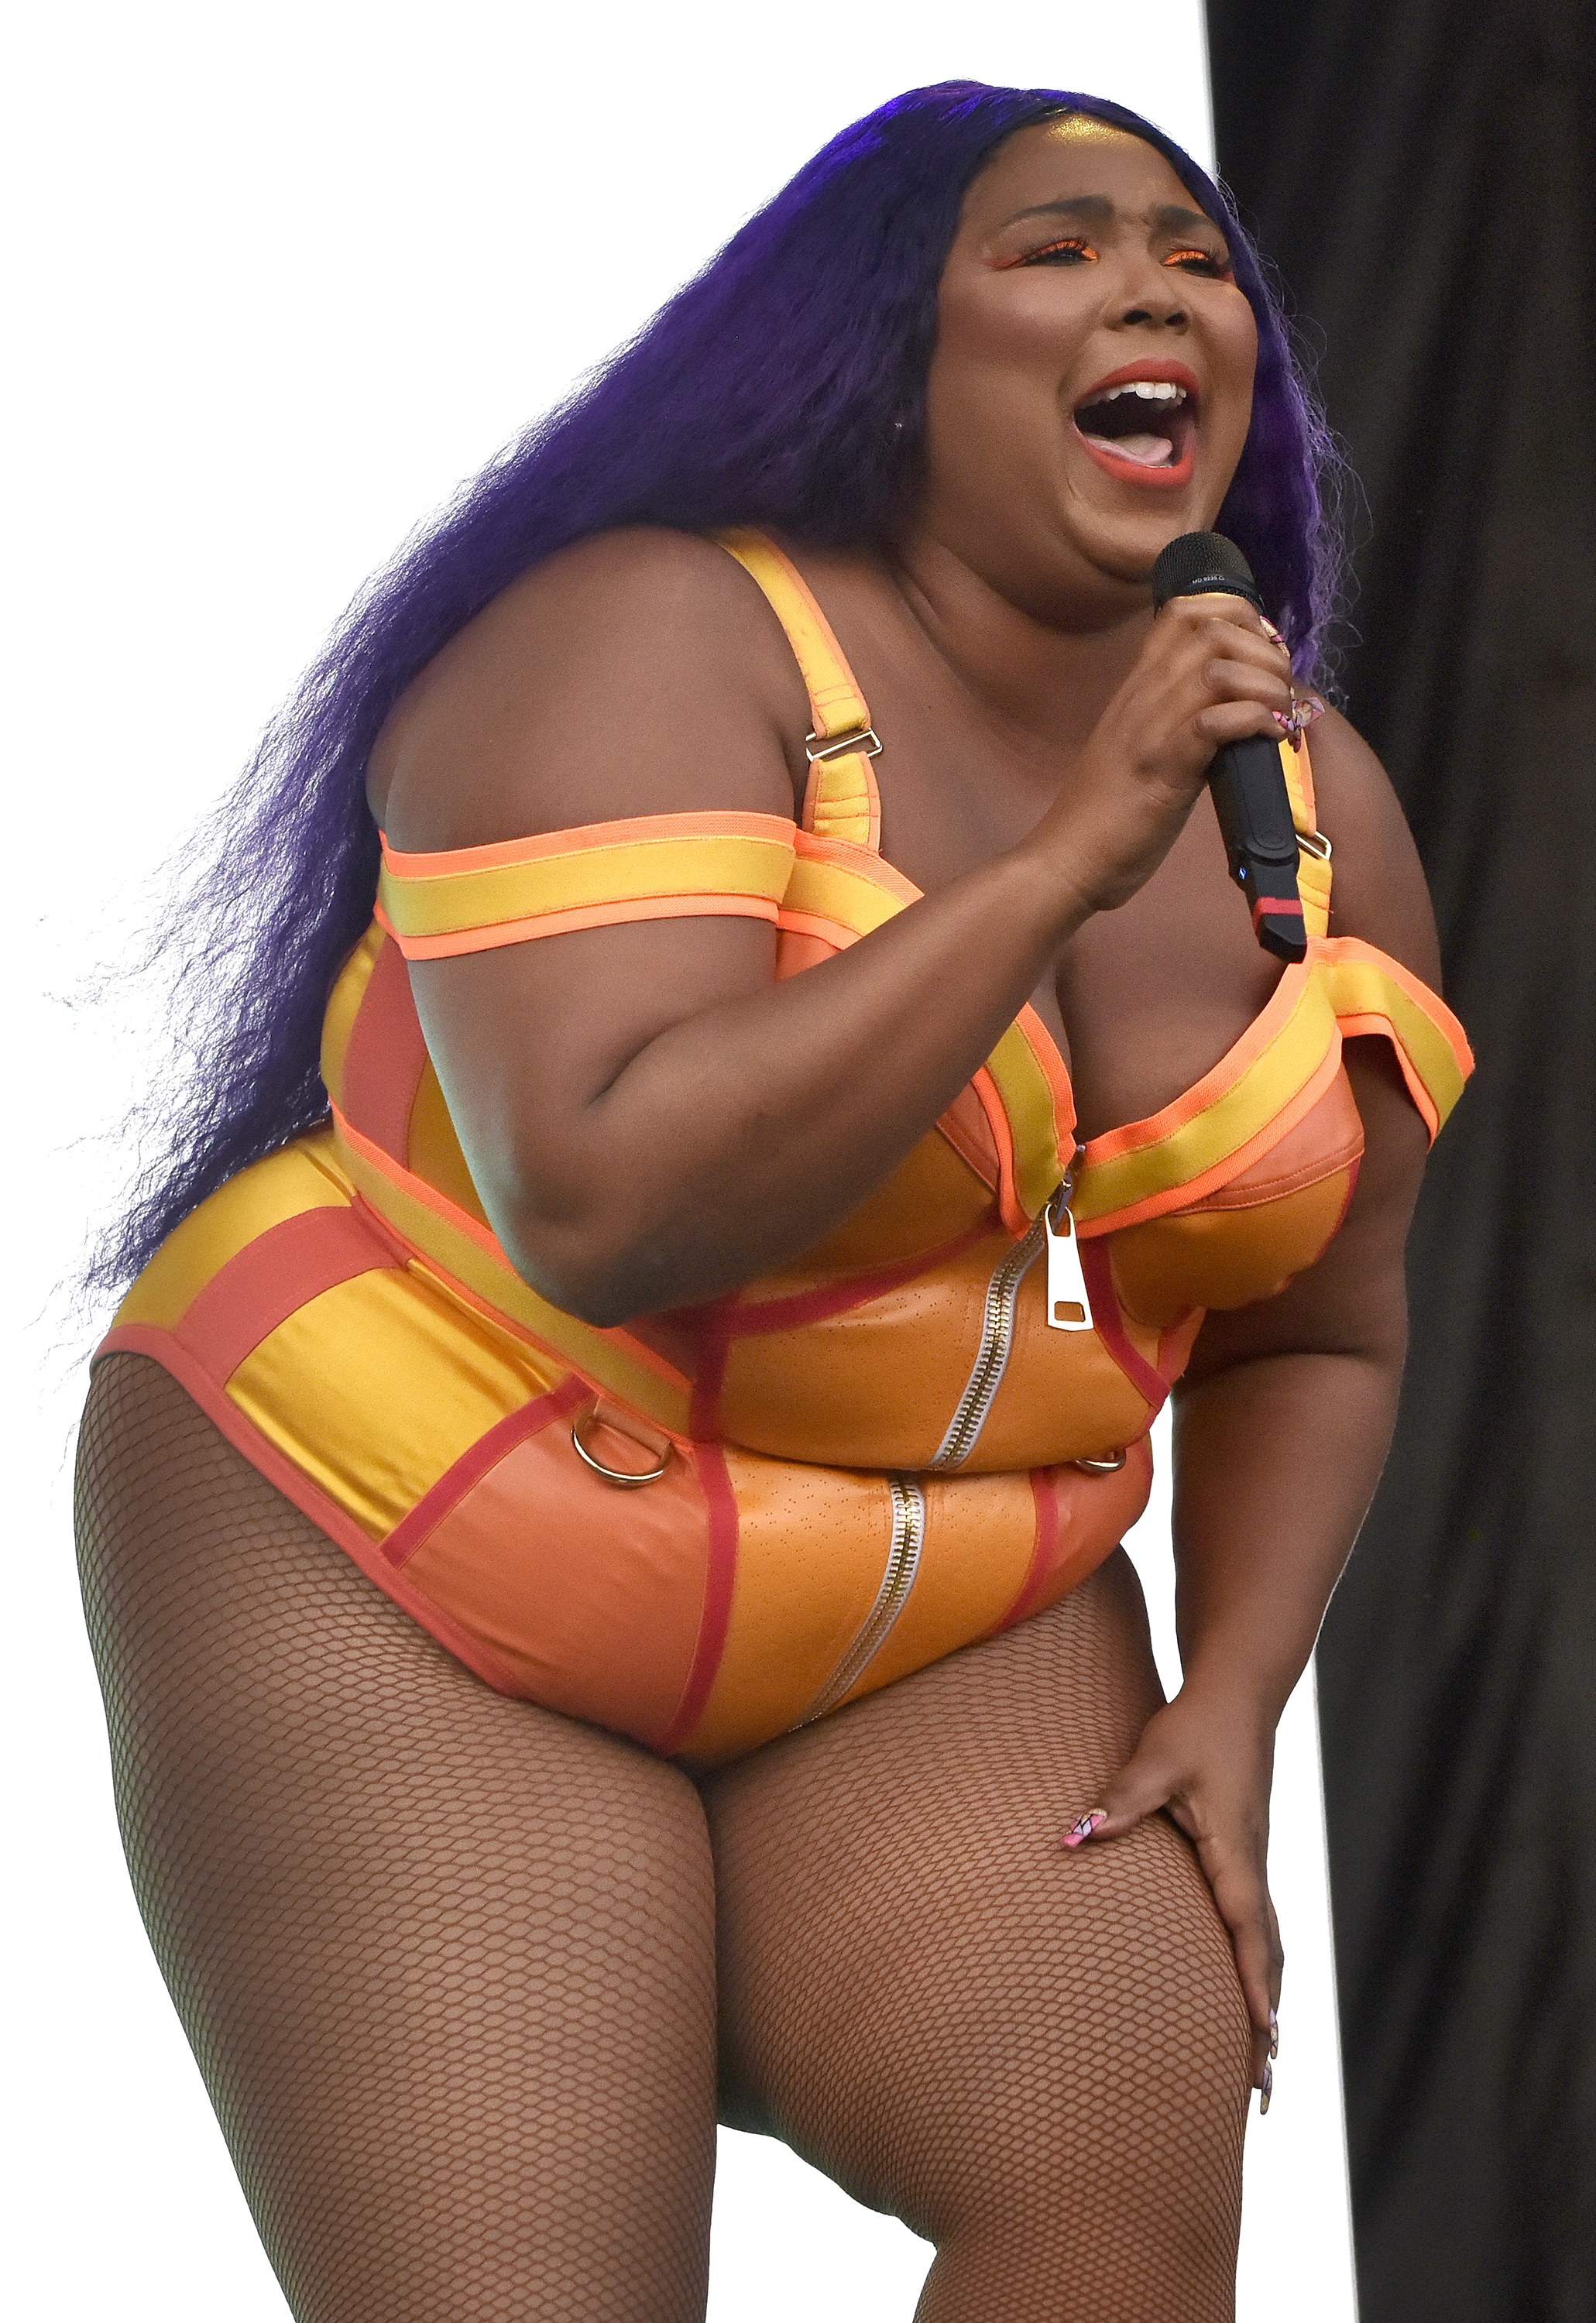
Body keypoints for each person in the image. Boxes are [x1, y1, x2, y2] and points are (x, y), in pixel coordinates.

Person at [75, 80, 1471, 2323]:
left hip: (930, 1594)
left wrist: (1235, 1697)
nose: (1155, 290)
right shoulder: (637, 639)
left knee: (1119, 2131)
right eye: (1058, 248)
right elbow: (609, 1210)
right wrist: (1050, 872)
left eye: (1197, 257)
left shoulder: (1307, 805)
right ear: (876, 353)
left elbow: (1322, 1317)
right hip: (414, 1519)